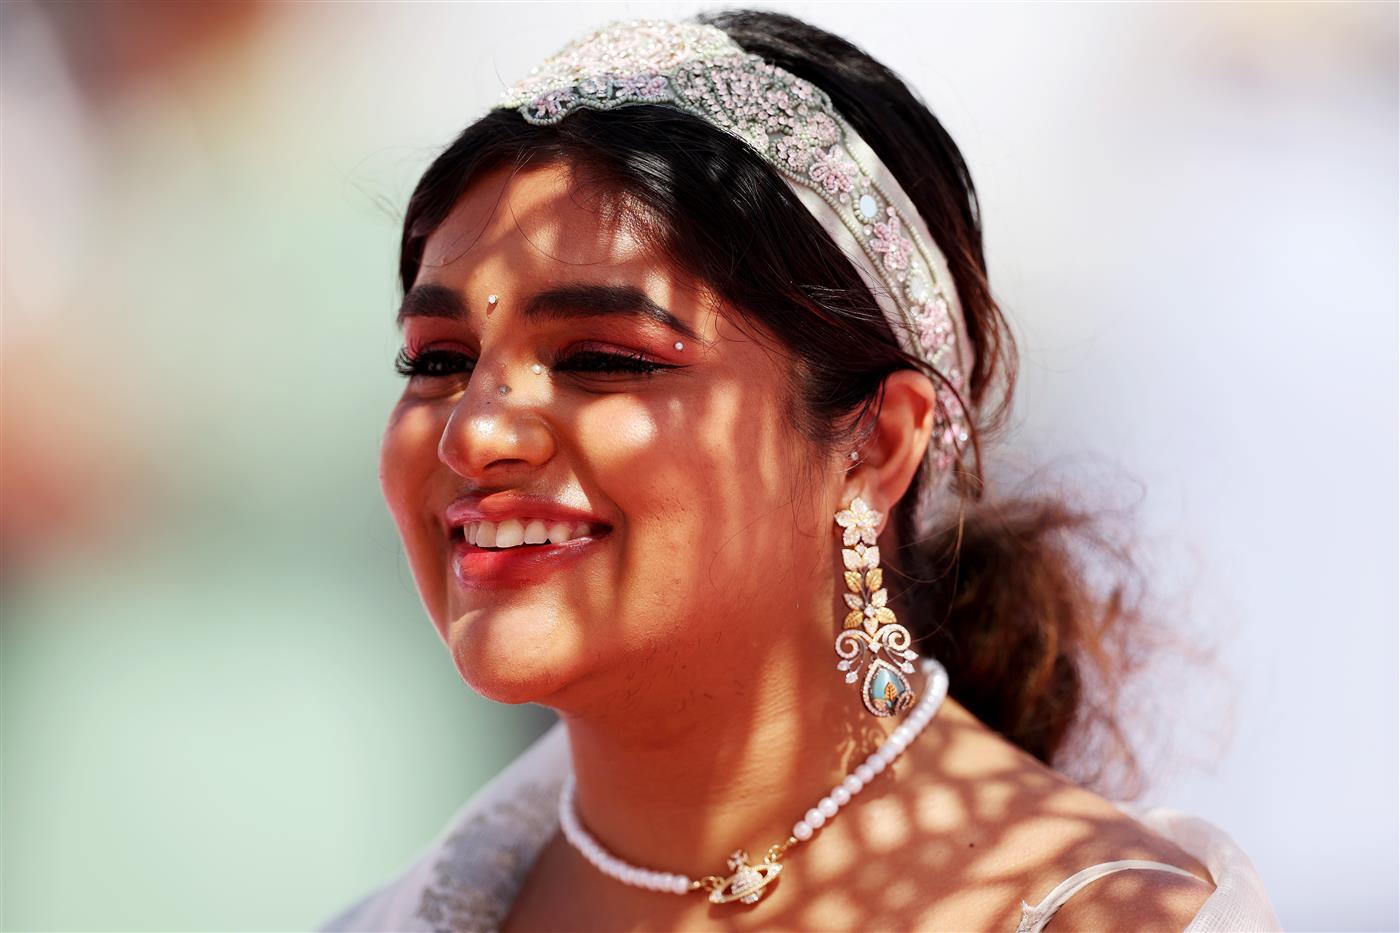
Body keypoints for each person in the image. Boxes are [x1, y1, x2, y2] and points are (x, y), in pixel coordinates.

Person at [321, 10, 1282, 932]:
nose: (474, 433)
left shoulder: (1108, 917)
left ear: (877, 443)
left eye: (605, 358)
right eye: (437, 360)